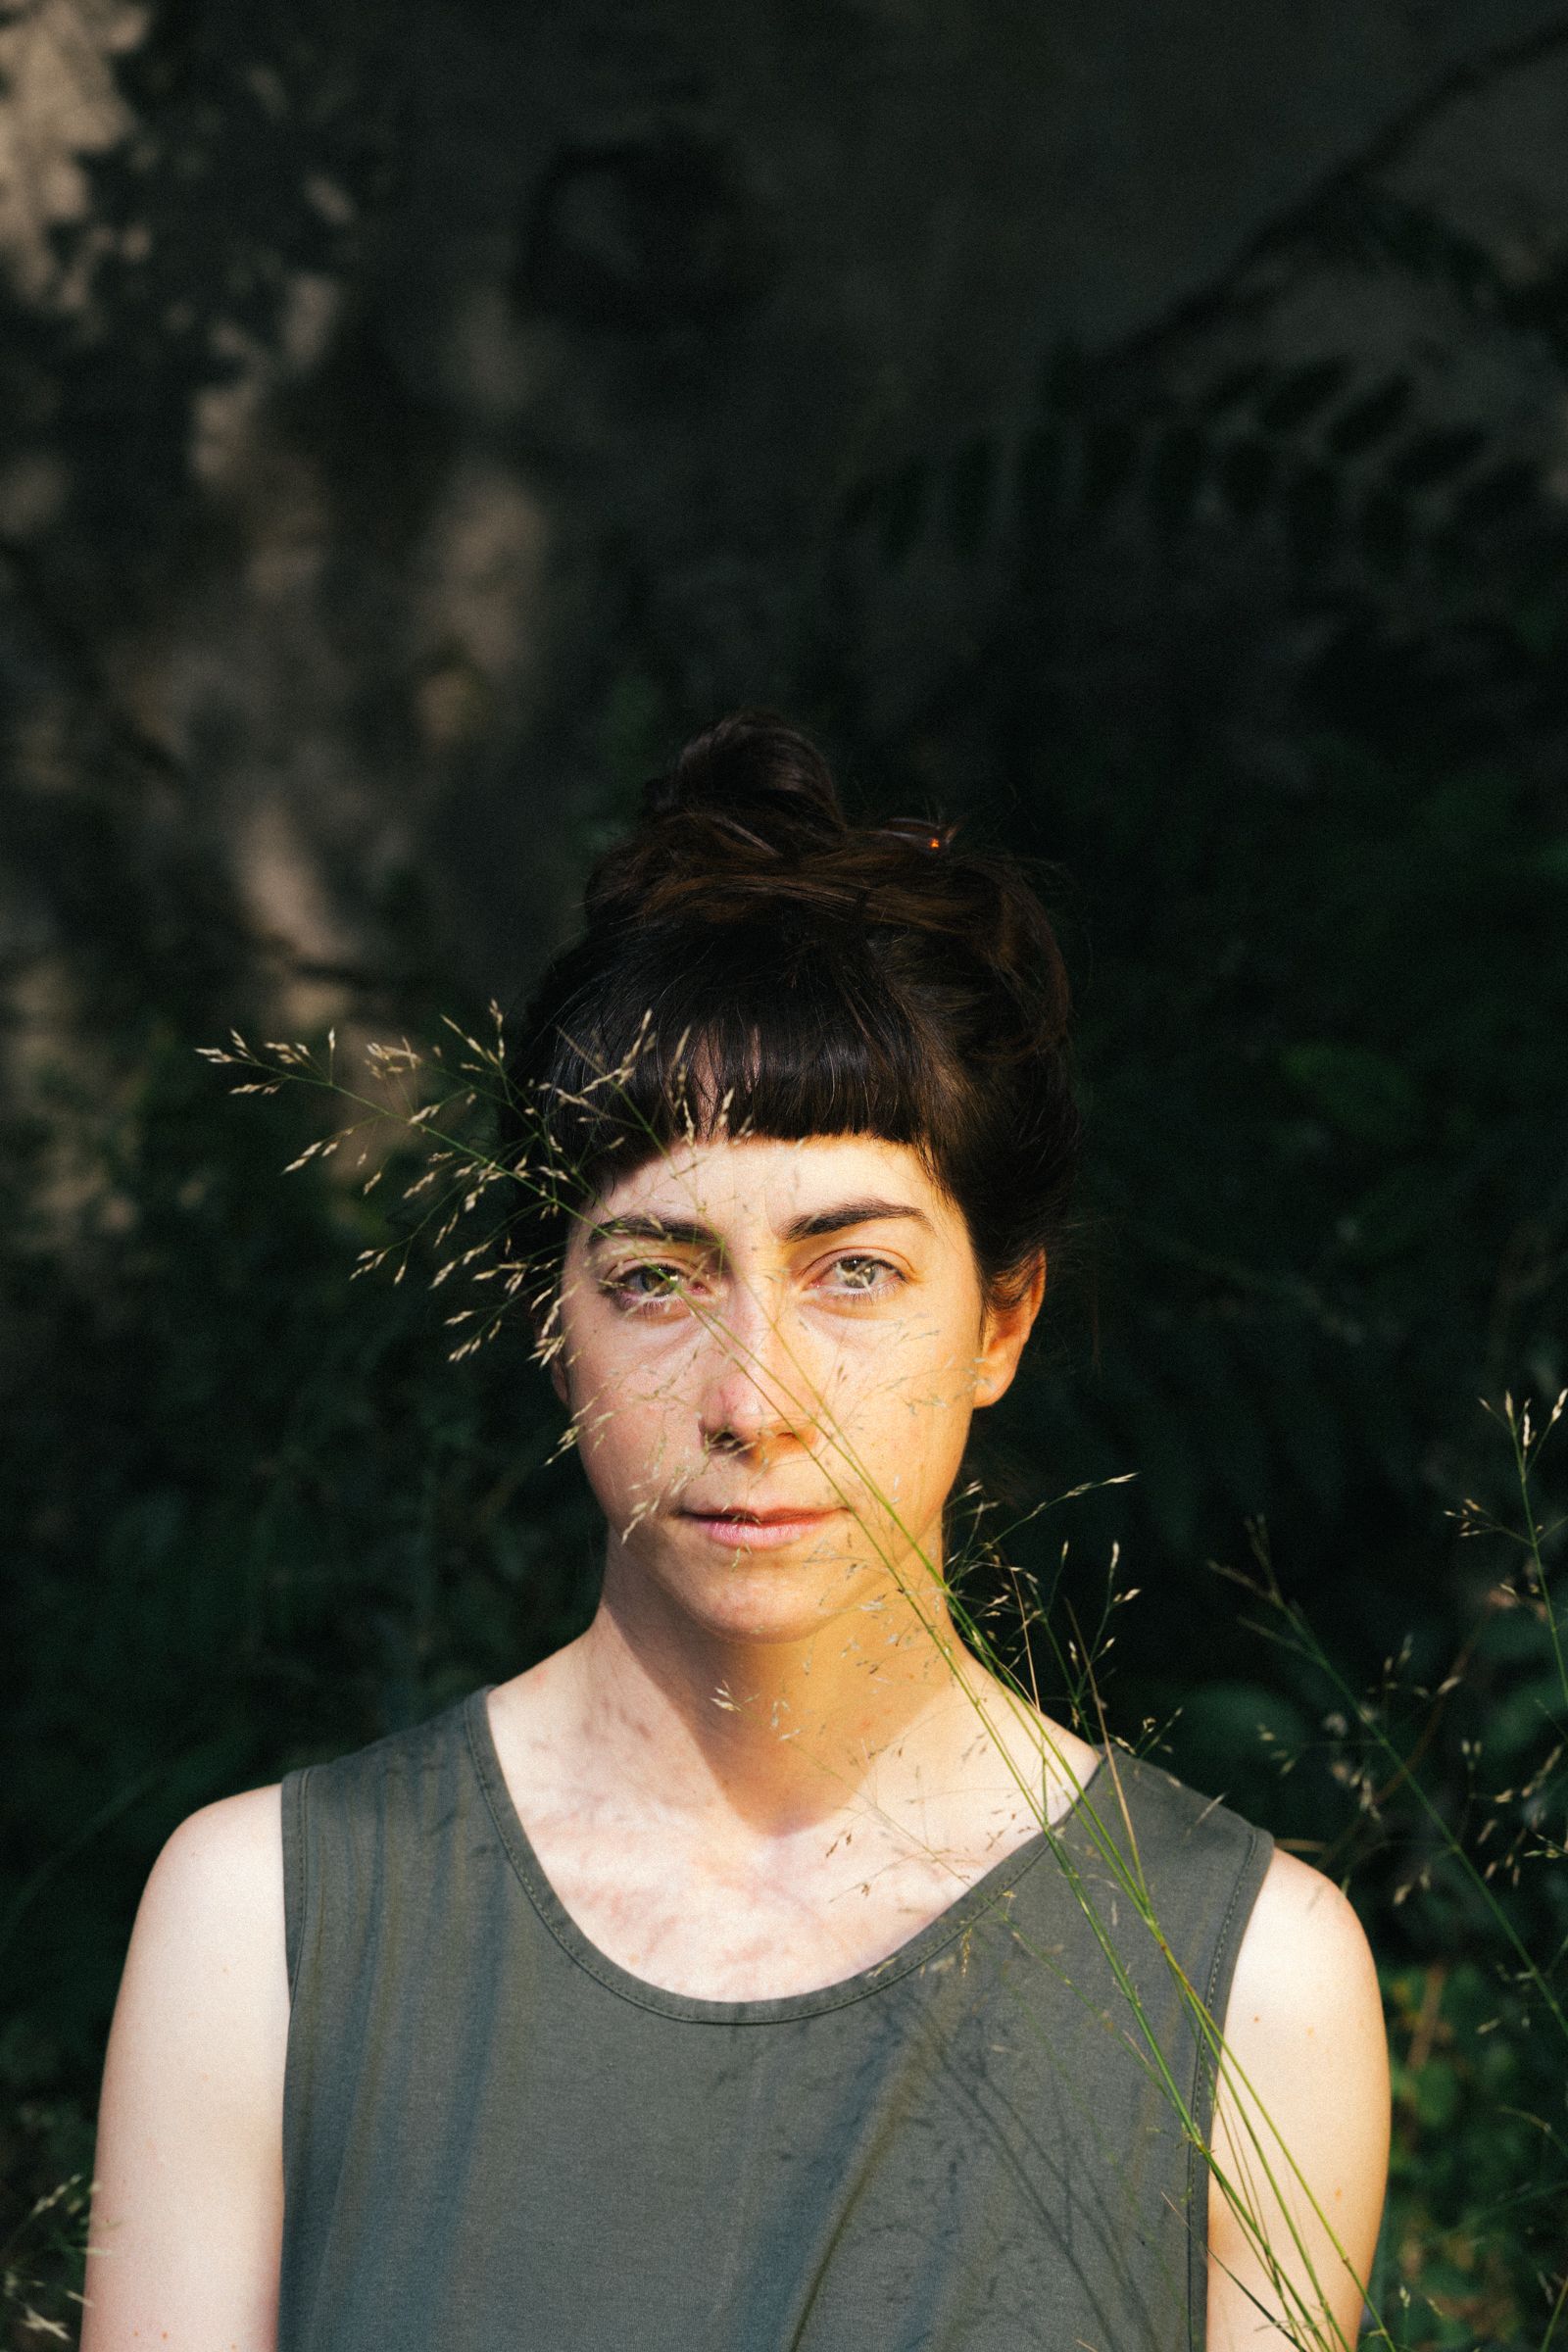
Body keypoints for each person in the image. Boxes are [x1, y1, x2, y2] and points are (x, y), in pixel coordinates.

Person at [80, 711, 1391, 2351]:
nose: (753, 1398)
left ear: (1002, 1320)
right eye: (655, 1277)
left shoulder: (1252, 1985)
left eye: (856, 1272)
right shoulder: (261, 1929)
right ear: (552, 1321)